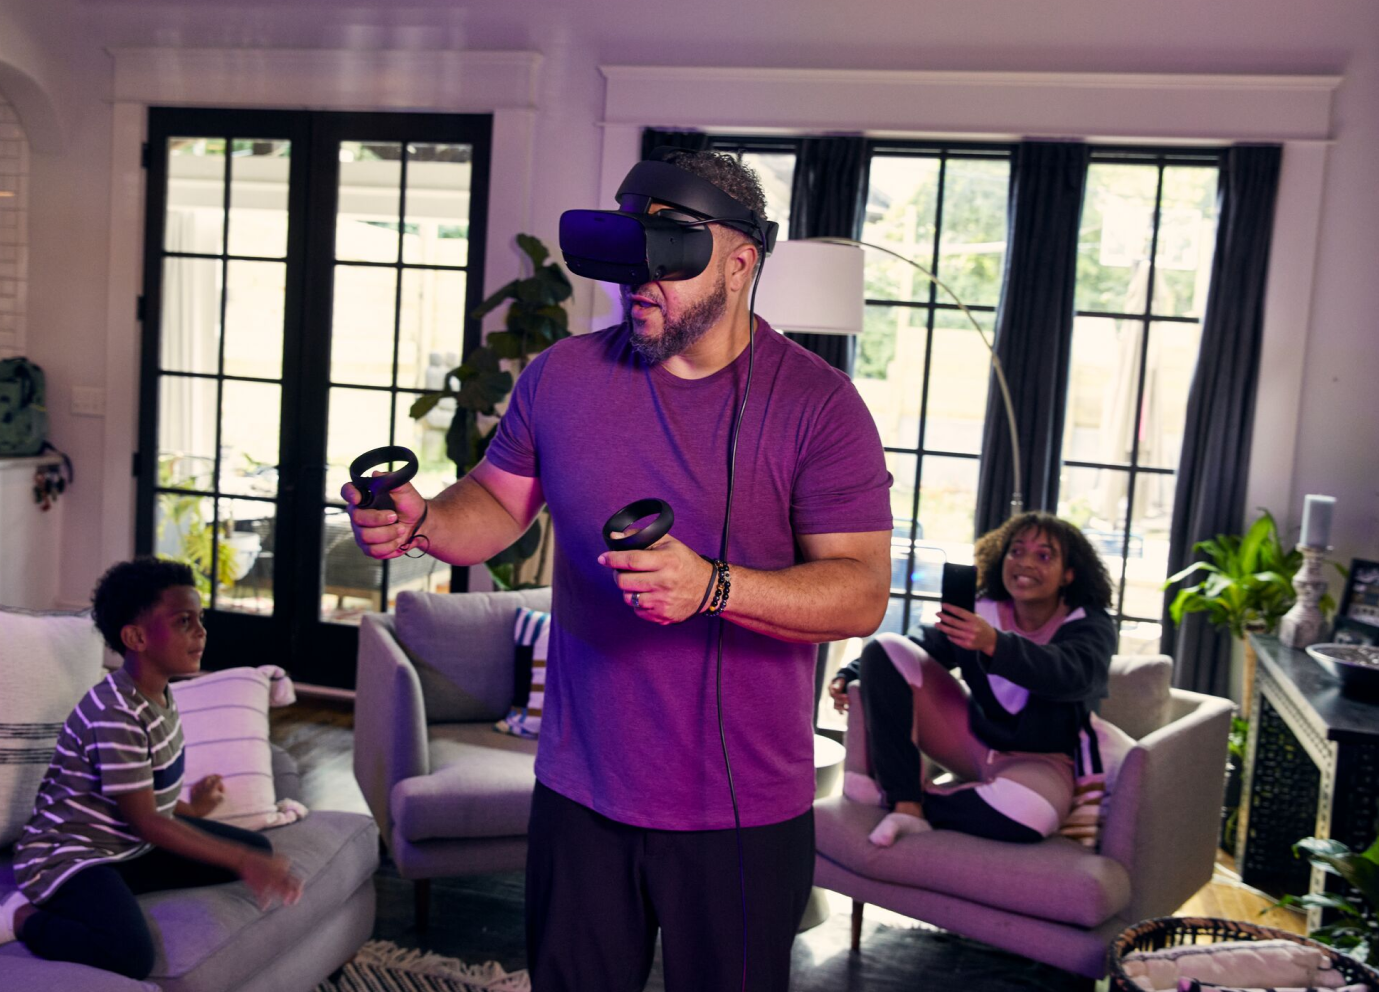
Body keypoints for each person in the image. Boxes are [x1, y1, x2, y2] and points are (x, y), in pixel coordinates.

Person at [345, 150, 893, 991]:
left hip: (739, 810)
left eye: (668, 254)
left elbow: (860, 592)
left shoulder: (818, 407)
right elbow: (493, 504)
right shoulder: (562, 376)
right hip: (580, 790)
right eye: (629, 251)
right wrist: (424, 522)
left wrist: (715, 586)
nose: (640, 280)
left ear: (741, 261)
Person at [0, 557, 303, 979]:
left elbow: (148, 801)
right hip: (68, 855)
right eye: (183, 622)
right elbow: (148, 822)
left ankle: (107, 893)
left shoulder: (160, 695)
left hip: (124, 845)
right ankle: (23, 918)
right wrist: (242, 860)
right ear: (136, 637)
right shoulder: (114, 714)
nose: (201, 632)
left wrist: (196, 809)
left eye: (200, 619)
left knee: (258, 849)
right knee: (128, 954)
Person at [829, 512, 1118, 848]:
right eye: (1016, 551)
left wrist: (995, 643)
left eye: (1043, 556)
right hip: (972, 743)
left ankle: (911, 803)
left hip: (1042, 760)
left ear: (1069, 574)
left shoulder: (1090, 624)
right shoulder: (982, 610)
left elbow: (1073, 675)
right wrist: (849, 672)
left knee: (1032, 814)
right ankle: (905, 802)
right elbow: (921, 645)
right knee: (886, 647)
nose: (1024, 563)